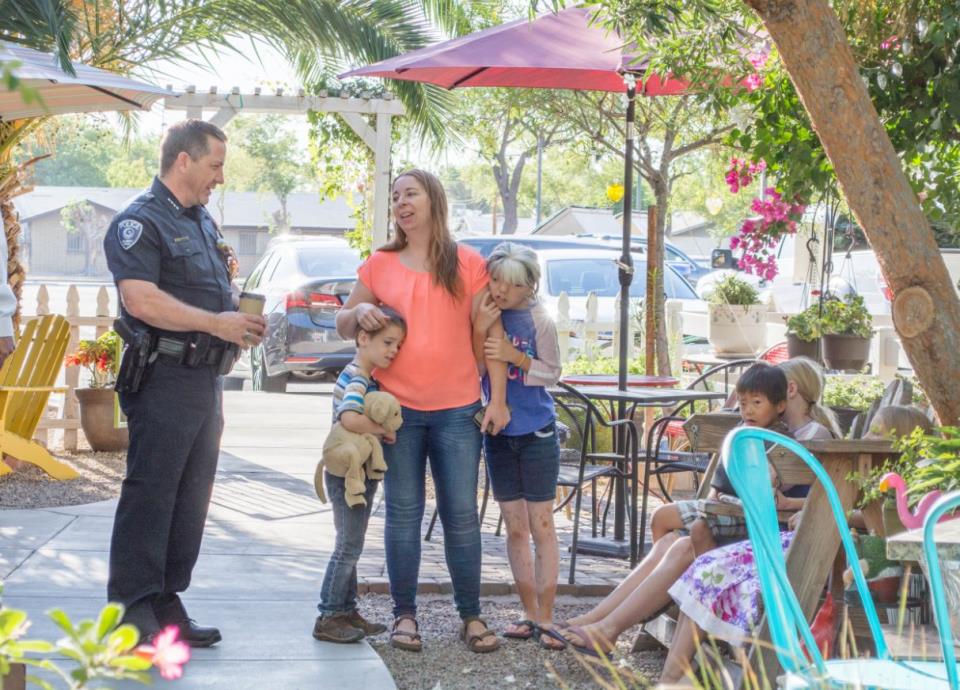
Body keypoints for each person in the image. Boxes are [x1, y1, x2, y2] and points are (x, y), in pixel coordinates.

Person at [103, 119, 266, 646]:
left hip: (203, 379)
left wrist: (238, 321)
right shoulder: (140, 222)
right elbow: (140, 299)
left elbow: (210, 290)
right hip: (163, 376)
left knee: (191, 495)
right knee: (152, 492)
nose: (220, 176)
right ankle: (131, 609)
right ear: (184, 161)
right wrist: (217, 323)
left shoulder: (202, 222)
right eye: (215, 165)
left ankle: (167, 599)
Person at [335, 169, 509, 654]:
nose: (401, 202)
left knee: (461, 517)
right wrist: (359, 317)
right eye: (395, 196)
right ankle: (404, 616)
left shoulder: (469, 263)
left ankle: (471, 616)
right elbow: (343, 319)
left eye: (410, 193)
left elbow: (490, 335)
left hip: (459, 411)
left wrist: (497, 399)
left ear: (433, 200)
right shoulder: (380, 264)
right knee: (403, 515)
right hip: (396, 413)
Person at [559, 359, 826, 656]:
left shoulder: (801, 435)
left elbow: (806, 498)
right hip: (744, 522)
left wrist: (783, 500)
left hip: (765, 534)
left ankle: (611, 626)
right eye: (744, 401)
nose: (748, 407)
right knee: (671, 542)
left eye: (759, 398)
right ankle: (600, 620)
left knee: (684, 544)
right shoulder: (758, 428)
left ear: (787, 393)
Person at [659, 400, 928, 684]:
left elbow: (878, 522)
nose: (867, 439)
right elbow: (853, 509)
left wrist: (832, 517)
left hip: (821, 556)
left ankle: (669, 680)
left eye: (876, 433)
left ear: (902, 440)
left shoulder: (898, 484)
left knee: (713, 573)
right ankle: (669, 678)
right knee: (708, 570)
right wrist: (810, 512)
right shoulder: (871, 477)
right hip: (804, 545)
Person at [472, 242, 565, 649]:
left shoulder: (539, 320)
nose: (500, 290)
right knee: (514, 528)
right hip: (499, 436)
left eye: (510, 285)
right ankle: (527, 613)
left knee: (542, 524)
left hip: (537, 433)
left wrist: (517, 358)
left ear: (529, 286)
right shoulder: (485, 312)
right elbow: (475, 367)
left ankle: (547, 616)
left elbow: (553, 373)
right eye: (494, 280)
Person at [313, 307, 406, 644]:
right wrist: (383, 429)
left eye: (398, 345)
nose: (393, 351)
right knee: (348, 545)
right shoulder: (357, 377)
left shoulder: (366, 377)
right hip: (347, 475)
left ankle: (346, 609)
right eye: (388, 342)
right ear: (363, 338)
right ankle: (328, 614)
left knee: (352, 543)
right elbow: (349, 418)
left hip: (359, 473)